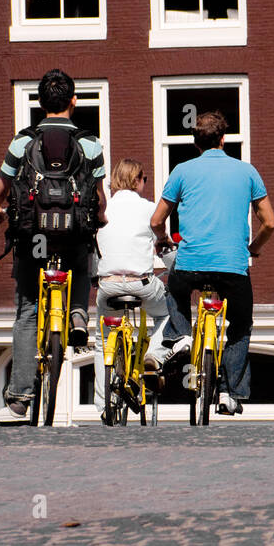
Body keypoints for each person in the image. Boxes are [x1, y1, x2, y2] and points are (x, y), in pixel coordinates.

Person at [0, 69, 106, 422]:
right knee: (82, 262)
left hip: (33, 236)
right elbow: (99, 199)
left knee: (27, 311)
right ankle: (79, 314)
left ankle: (21, 395)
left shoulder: (22, 142)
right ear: (73, 101)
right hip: (72, 235)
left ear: (40, 103)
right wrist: (101, 217)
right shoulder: (90, 143)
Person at [150, 111, 274, 416]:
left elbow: (156, 220)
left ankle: (180, 335)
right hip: (233, 268)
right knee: (240, 326)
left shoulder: (182, 170)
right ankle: (231, 394)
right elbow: (270, 223)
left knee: (175, 289)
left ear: (196, 144)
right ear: (223, 139)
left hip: (191, 265)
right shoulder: (247, 171)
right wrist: (252, 250)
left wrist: (163, 239)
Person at [93, 158, 173, 419]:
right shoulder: (150, 209)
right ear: (138, 179)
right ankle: (153, 356)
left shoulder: (102, 207)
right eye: (145, 179)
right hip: (141, 284)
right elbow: (163, 245)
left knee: (101, 341)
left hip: (107, 284)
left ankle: (103, 404)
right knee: (168, 314)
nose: (145, 184)